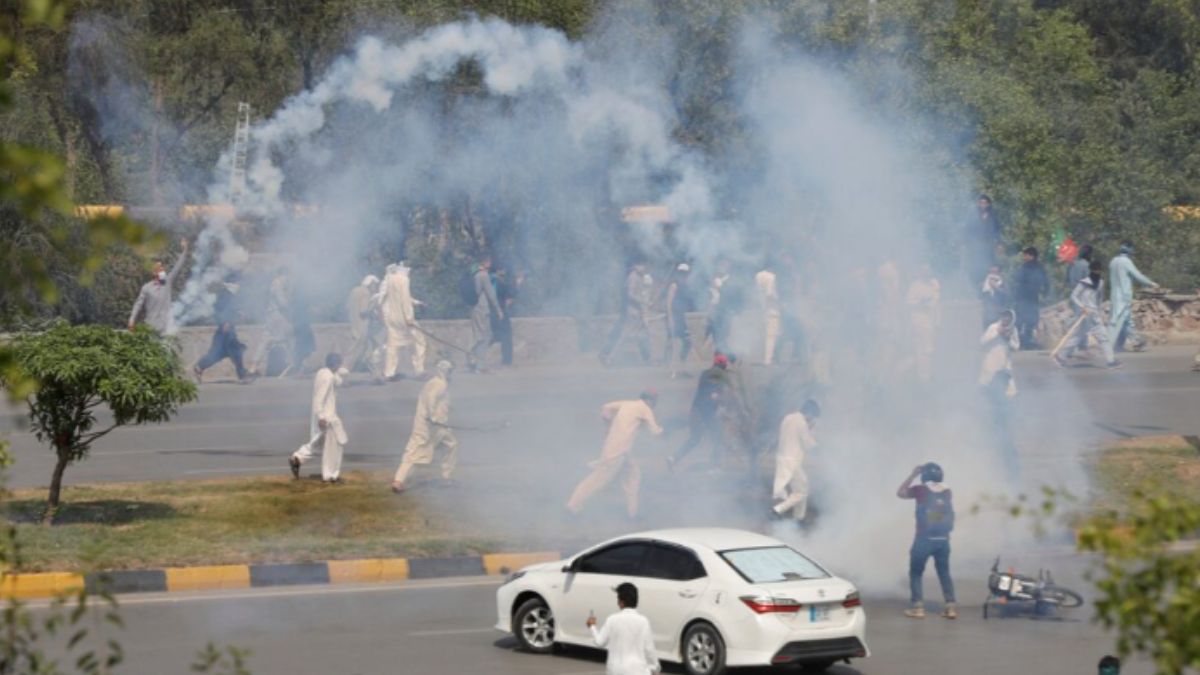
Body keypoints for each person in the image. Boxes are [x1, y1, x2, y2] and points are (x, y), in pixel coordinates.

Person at [566, 391, 663, 518]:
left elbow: (606, 407)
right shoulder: (645, 409)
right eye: (655, 401)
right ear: (651, 400)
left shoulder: (627, 404)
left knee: (633, 475)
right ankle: (572, 505)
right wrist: (666, 429)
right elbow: (655, 432)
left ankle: (632, 513)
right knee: (597, 480)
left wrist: (609, 425)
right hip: (617, 452)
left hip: (620, 450)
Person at [897, 462, 957, 620]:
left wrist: (912, 474)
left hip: (924, 539)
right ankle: (950, 607)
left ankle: (918, 607)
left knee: (916, 573)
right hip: (943, 540)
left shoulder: (921, 490)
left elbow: (900, 493)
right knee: (944, 573)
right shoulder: (947, 492)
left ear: (925, 475)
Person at [391, 360, 458, 492]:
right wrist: (432, 416)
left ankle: (446, 477)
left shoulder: (434, 382)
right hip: (429, 426)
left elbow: (440, 401)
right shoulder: (440, 384)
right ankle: (398, 481)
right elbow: (430, 399)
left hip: (440, 426)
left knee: (451, 445)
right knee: (415, 452)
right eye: (450, 371)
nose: (451, 373)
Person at [288, 353, 349, 483]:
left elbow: (338, 381)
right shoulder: (327, 377)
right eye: (339, 364)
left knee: (318, 443)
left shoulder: (324, 372)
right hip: (328, 417)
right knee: (334, 446)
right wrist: (321, 417)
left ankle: (297, 458)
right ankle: (330, 476)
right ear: (335, 364)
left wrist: (342, 371)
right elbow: (319, 399)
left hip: (326, 416)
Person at [667, 354, 731, 471]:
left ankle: (673, 458)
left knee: (695, 439)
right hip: (707, 412)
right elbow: (716, 396)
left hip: (696, 410)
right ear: (723, 366)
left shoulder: (705, 373)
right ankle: (716, 466)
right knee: (718, 437)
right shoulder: (721, 376)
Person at [1056, 259, 1119, 369]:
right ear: (1091, 270)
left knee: (1080, 336)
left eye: (1098, 270)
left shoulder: (1100, 283)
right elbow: (1073, 296)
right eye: (1095, 269)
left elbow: (1099, 299)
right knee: (1101, 337)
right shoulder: (1084, 282)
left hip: (1093, 314)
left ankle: (1061, 356)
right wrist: (1082, 307)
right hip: (1085, 314)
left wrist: (1098, 312)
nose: (1097, 272)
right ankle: (1111, 361)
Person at [980, 310, 1020, 480]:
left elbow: (1016, 347)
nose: (1006, 322)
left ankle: (1004, 417)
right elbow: (982, 342)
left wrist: (1009, 338)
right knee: (988, 395)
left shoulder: (1013, 330)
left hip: (1005, 369)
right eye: (1004, 319)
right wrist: (997, 334)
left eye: (1009, 320)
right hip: (990, 368)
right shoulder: (993, 328)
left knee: (1008, 396)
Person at [586, 582, 661, 675]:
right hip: (638, 671)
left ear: (621, 602)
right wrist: (655, 668)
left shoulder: (612, 619)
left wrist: (592, 626)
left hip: (615, 671)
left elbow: (599, 642)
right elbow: (649, 649)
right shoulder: (643, 621)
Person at [193, 275, 253, 384]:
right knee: (235, 351)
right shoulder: (226, 295)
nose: (239, 285)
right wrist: (225, 322)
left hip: (227, 328)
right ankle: (242, 375)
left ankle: (200, 366)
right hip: (227, 329)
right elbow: (221, 310)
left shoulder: (228, 295)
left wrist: (239, 314)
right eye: (237, 282)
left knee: (219, 354)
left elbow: (229, 309)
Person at [771, 399, 820, 522]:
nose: (811, 419)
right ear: (809, 413)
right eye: (813, 416)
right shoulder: (801, 422)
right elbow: (808, 444)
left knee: (801, 489)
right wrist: (812, 432)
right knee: (802, 492)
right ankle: (778, 509)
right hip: (792, 461)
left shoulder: (788, 418)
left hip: (783, 458)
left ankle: (798, 518)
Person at [128, 237, 189, 335]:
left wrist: (185, 250)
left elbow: (178, 266)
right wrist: (131, 320)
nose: (162, 270)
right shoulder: (146, 288)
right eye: (159, 268)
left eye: (162, 267)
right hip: (151, 328)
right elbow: (138, 305)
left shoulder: (167, 282)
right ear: (153, 272)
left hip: (167, 328)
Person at [380, 262, 427, 380]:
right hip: (403, 319)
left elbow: (387, 299)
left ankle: (389, 372)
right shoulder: (403, 280)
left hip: (391, 318)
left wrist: (417, 303)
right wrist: (409, 318)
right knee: (419, 342)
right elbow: (405, 300)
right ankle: (419, 370)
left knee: (393, 346)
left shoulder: (388, 280)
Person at [1108, 242, 1158, 353]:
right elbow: (1137, 275)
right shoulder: (1126, 262)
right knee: (1125, 320)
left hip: (1114, 296)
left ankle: (1118, 345)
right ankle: (1137, 342)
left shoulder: (1113, 261)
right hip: (1124, 296)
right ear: (1129, 251)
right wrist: (1151, 283)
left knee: (1119, 319)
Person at [599, 262, 651, 366]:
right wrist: (643, 301)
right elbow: (630, 294)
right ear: (636, 265)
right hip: (633, 313)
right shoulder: (633, 277)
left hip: (636, 312)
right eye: (641, 264)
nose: (644, 267)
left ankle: (646, 360)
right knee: (624, 336)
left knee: (643, 335)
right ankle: (610, 358)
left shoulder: (637, 277)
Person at [249, 267, 293, 376]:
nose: (288, 279)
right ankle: (293, 363)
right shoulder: (278, 284)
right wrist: (291, 307)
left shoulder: (275, 283)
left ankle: (253, 366)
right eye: (287, 276)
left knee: (266, 340)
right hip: (277, 316)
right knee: (289, 337)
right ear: (283, 274)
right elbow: (282, 302)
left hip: (272, 315)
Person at [344, 275, 384, 380]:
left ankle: (376, 375)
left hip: (354, 324)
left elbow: (347, 307)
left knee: (368, 351)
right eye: (375, 285)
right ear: (370, 284)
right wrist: (373, 310)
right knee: (355, 351)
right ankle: (342, 374)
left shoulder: (354, 290)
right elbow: (363, 311)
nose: (375, 288)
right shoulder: (366, 293)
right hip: (362, 327)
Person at [906, 264, 941, 383]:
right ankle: (922, 378)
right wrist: (921, 303)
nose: (927, 273)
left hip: (932, 321)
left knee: (930, 350)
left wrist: (937, 322)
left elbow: (937, 304)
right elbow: (909, 303)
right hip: (920, 321)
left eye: (929, 271)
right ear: (921, 272)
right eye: (925, 271)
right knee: (921, 351)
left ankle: (929, 376)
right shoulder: (915, 286)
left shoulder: (935, 284)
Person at [469, 258, 503, 372]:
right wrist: (498, 309)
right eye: (489, 261)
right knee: (485, 337)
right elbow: (491, 294)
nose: (490, 263)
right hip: (482, 309)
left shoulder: (474, 274)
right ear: (485, 262)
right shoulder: (483, 275)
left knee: (479, 336)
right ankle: (479, 365)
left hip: (474, 309)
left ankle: (473, 360)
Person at [1012, 247, 1049, 349]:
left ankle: (1019, 342)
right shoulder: (1040, 267)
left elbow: (1017, 279)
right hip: (1033, 298)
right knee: (1031, 320)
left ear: (1031, 256)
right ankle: (1027, 341)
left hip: (1023, 298)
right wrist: (1045, 293)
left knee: (1019, 320)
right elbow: (1046, 282)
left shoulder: (1024, 267)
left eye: (1025, 255)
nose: (1024, 257)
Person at [662, 263, 693, 374]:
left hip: (683, 318)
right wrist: (670, 319)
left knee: (687, 343)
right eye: (682, 273)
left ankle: (683, 366)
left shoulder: (687, 285)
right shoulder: (674, 285)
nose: (684, 275)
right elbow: (669, 303)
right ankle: (672, 369)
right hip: (675, 318)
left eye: (685, 273)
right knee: (674, 344)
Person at [1065, 245, 1094, 353]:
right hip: (1083, 297)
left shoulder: (1071, 265)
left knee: (1080, 320)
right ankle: (1078, 347)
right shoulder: (1086, 265)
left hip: (1073, 295)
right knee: (1082, 321)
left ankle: (1082, 346)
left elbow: (1067, 280)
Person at [969, 194, 1003, 283]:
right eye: (981, 203)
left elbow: (998, 230)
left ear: (988, 204)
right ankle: (978, 285)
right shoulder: (973, 215)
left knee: (991, 264)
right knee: (977, 265)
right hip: (976, 245)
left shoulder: (993, 216)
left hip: (989, 244)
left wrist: (999, 244)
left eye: (985, 203)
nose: (983, 205)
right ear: (978, 204)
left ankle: (991, 286)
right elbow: (969, 230)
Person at [490, 265, 521, 367]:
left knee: (493, 336)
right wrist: (518, 284)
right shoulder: (499, 282)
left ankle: (475, 357)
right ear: (499, 270)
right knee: (506, 336)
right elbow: (511, 294)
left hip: (492, 312)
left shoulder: (491, 280)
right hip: (500, 312)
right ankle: (507, 362)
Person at [755, 262, 781, 366]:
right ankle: (768, 359)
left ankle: (763, 357)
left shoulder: (758, 276)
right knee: (771, 335)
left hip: (762, 309)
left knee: (763, 333)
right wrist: (776, 305)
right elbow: (769, 295)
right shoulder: (771, 277)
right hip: (771, 310)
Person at [980, 264, 1010, 329]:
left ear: (999, 273)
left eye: (995, 273)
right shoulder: (985, 283)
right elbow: (983, 297)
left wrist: (996, 288)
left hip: (999, 312)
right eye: (991, 272)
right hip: (988, 313)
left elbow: (1007, 295)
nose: (992, 275)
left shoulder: (1003, 282)